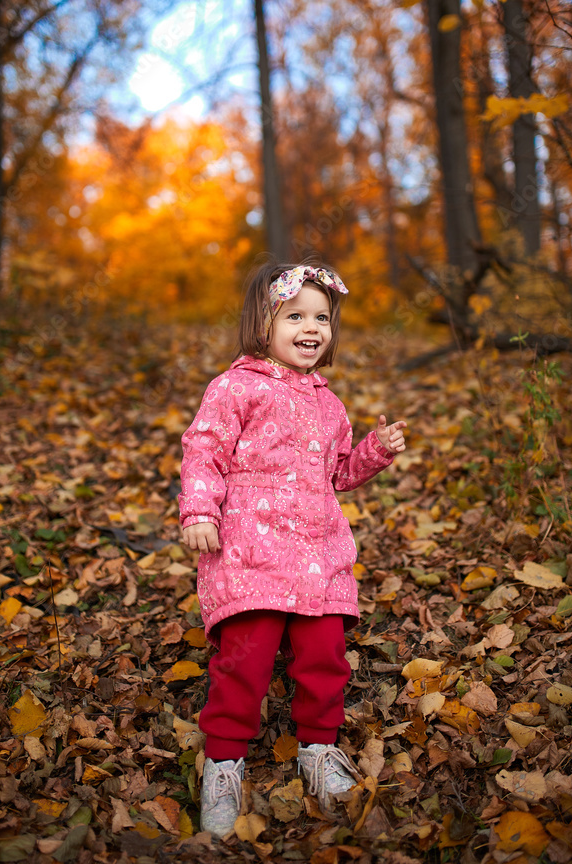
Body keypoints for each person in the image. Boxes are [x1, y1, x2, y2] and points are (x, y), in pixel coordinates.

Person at [178, 260, 407, 837]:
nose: (312, 327)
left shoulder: (330, 405)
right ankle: (225, 762)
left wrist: (375, 451)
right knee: (246, 661)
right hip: (251, 549)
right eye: (296, 315)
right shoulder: (235, 388)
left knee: (324, 655)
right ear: (264, 322)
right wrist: (200, 511)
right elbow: (204, 451)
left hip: (318, 552)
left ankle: (318, 750)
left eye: (322, 318)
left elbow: (338, 474)